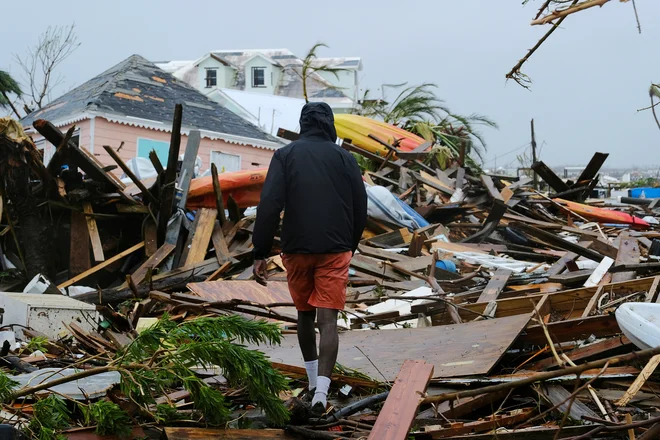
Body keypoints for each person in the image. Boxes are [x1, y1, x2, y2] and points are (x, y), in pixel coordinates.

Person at [252, 102, 367, 416]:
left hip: (297, 248)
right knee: (328, 321)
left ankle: (313, 382)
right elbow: (361, 207)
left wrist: (260, 251)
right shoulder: (345, 158)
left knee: (304, 315)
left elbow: (269, 204)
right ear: (329, 124)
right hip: (335, 249)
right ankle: (322, 395)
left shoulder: (285, 155)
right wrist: (350, 245)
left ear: (303, 123)